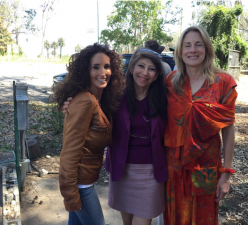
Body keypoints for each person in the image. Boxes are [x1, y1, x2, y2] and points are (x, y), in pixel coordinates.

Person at [63, 48, 168, 225]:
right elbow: (91, 107)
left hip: (151, 173)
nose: (145, 72)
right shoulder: (116, 96)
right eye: (140, 66)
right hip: (123, 170)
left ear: (157, 74)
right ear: (132, 68)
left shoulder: (164, 98)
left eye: (151, 69)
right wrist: (70, 105)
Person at [164, 26, 237, 225]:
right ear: (180, 51)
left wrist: (226, 175)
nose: (192, 50)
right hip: (174, 167)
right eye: (187, 45)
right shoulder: (170, 82)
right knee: (175, 217)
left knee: (203, 219)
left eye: (198, 44)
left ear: (207, 49)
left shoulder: (223, 82)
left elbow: (228, 130)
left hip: (206, 166)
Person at [55, 43, 125, 225]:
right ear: (85, 71)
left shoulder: (99, 101)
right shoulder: (85, 101)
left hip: (85, 181)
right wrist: (70, 195)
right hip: (80, 186)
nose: (103, 72)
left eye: (107, 66)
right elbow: (69, 153)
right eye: (96, 67)